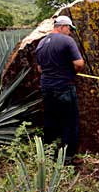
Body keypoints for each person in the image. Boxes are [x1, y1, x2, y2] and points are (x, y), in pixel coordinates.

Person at [35, 15, 84, 159]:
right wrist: (72, 72)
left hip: (46, 87)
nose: (70, 32)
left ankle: (48, 153)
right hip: (63, 87)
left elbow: (39, 69)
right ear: (62, 27)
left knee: (50, 120)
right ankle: (67, 157)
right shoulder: (67, 40)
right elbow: (79, 63)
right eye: (69, 28)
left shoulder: (41, 43)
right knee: (70, 121)